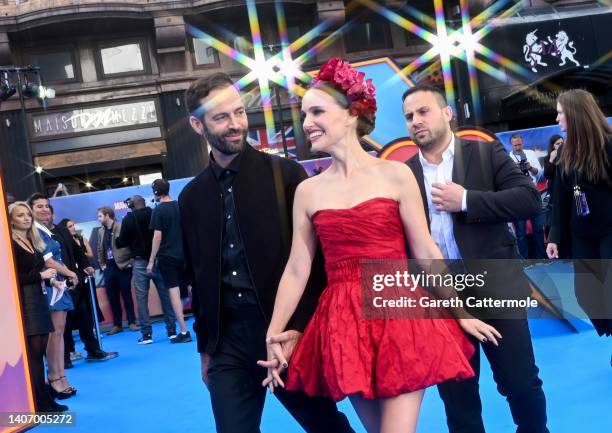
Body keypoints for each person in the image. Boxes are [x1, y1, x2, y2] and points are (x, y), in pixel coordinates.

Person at [260, 59, 500, 433]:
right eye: (305, 113)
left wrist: (459, 312)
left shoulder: (396, 174)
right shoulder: (308, 191)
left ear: (351, 114)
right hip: (343, 323)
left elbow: (425, 251)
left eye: (317, 111)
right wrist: (273, 334)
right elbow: (297, 268)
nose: (306, 123)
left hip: (398, 310)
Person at [180, 72, 355, 433]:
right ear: (198, 125)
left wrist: (302, 330)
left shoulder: (286, 175)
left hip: (286, 334)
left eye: (239, 113)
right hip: (227, 344)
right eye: (221, 117)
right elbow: (199, 276)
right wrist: (206, 347)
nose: (235, 125)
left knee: (326, 426)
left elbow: (317, 263)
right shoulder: (191, 197)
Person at [402, 84, 549, 433]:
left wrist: (467, 200)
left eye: (423, 111)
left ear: (447, 113)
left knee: (520, 383)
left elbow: (529, 199)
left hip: (496, 286)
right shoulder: (403, 174)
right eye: (409, 116)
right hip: (439, 296)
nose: (416, 121)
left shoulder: (486, 155)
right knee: (457, 396)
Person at [547, 89, 612, 338]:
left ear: (574, 114)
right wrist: (554, 236)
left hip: (610, 229)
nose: (557, 119)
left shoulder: (608, 145)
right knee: (586, 294)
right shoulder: (565, 152)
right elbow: (560, 200)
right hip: (581, 234)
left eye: (560, 113)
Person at [9, 202, 68, 413]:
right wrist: (41, 276)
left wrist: (52, 281)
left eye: (27, 215)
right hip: (25, 303)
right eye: (20, 215)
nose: (26, 218)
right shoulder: (9, 243)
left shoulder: (30, 240)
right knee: (33, 353)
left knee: (40, 351)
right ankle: (38, 401)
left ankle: (43, 397)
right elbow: (12, 277)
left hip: (39, 299)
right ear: (11, 220)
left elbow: (36, 273)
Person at [27, 193, 78, 400]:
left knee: (60, 332)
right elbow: (48, 261)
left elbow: (56, 259)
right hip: (50, 286)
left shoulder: (47, 230)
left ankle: (61, 375)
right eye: (39, 206)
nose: (44, 209)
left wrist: (69, 274)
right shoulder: (36, 232)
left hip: (59, 285)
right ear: (31, 210)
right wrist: (70, 273)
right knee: (54, 334)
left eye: (47, 206)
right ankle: (54, 378)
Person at [117, 195, 178, 344]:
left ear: (131, 204)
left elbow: (122, 241)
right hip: (158, 260)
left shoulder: (128, 219)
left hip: (139, 263)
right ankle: (172, 331)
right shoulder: (154, 213)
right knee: (166, 296)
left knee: (141, 299)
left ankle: (146, 335)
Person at [57, 218, 118, 362]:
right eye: (69, 226)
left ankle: (92, 350)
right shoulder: (56, 237)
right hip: (64, 284)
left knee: (85, 315)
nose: (72, 228)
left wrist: (84, 265)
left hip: (81, 282)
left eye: (73, 225)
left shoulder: (78, 239)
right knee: (65, 322)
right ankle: (67, 354)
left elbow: (85, 255)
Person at [147, 179, 191, 343]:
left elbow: (157, 237)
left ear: (156, 192)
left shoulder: (158, 211)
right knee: (190, 290)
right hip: (185, 255)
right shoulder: (180, 205)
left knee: (174, 293)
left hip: (167, 258)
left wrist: (151, 260)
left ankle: (184, 331)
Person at [96, 206, 137, 334]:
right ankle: (117, 324)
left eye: (100, 216)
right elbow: (99, 248)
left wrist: (130, 262)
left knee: (127, 296)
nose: (98, 219)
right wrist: (102, 264)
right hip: (109, 268)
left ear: (107, 215)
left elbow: (131, 245)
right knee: (112, 297)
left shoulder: (120, 226)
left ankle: (132, 322)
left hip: (123, 266)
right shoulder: (101, 231)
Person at [508, 134, 546, 259]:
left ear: (522, 143)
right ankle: (524, 260)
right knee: (521, 231)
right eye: (515, 145)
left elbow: (539, 172)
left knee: (538, 227)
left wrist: (529, 167)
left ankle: (541, 256)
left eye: (519, 144)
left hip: (533, 193)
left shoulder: (530, 153)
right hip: (518, 195)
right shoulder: (508, 158)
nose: (518, 147)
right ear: (511, 145)